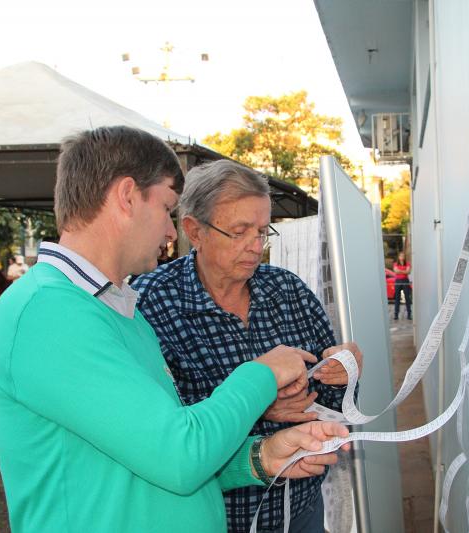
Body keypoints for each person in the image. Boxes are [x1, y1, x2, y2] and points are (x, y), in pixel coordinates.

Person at [0, 126, 349, 533]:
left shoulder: (119, 310)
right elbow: (180, 455)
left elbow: (146, 458)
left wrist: (261, 458)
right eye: (166, 208)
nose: (172, 233)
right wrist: (263, 373)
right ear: (126, 197)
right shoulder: (46, 311)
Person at [133, 159, 363, 533]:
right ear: (195, 230)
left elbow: (335, 408)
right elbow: (162, 436)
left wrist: (345, 373)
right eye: (239, 232)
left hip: (301, 510)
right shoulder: (151, 304)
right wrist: (261, 406)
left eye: (262, 231)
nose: (256, 247)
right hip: (214, 519)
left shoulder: (289, 291)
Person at [393, 251, 412, 320]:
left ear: (404, 257)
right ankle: (396, 314)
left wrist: (400, 271)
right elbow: (396, 271)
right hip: (398, 281)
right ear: (398, 257)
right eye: (400, 256)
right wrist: (404, 271)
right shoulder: (395, 264)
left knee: (407, 298)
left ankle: (409, 314)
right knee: (397, 298)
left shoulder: (407, 264)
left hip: (405, 281)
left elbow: (408, 271)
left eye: (403, 256)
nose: (402, 257)